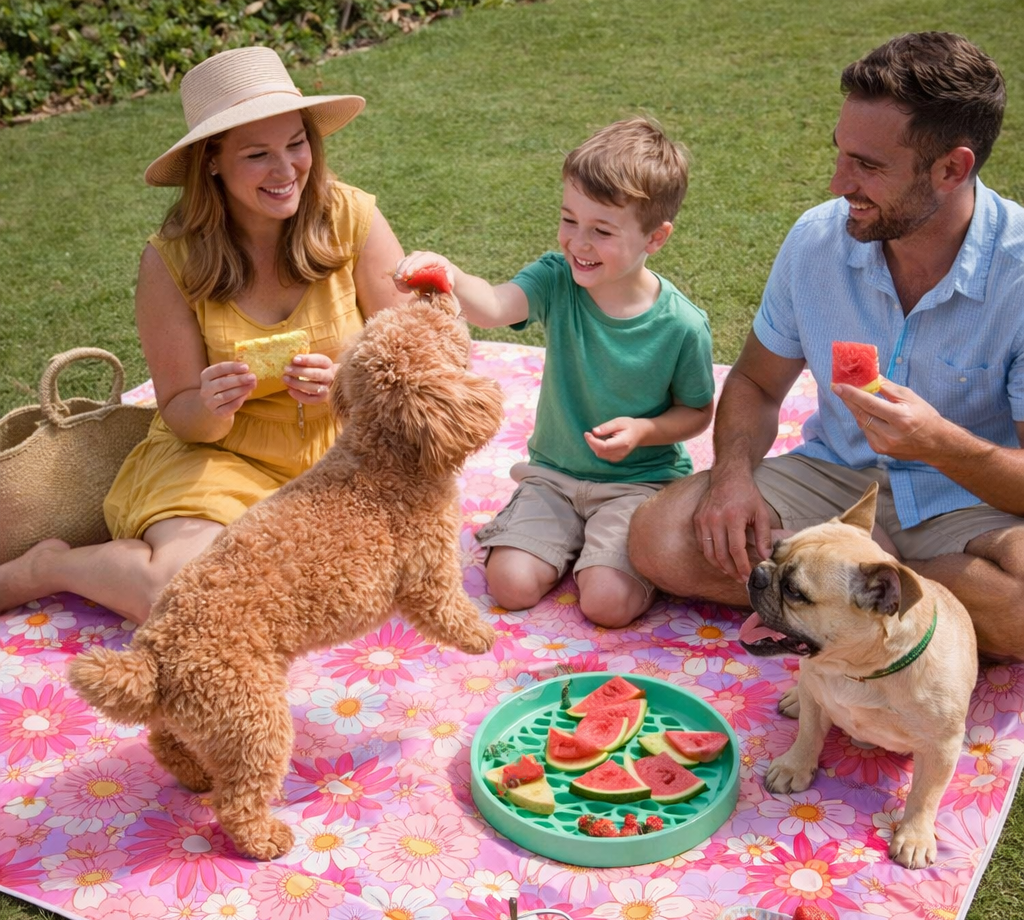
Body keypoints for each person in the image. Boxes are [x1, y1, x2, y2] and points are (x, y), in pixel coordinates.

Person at [629, 32, 1024, 662]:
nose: (840, 182)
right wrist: (732, 480)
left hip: (968, 501)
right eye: (841, 154)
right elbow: (757, 383)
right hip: (835, 478)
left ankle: (866, 585)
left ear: (951, 168)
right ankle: (872, 597)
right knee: (660, 537)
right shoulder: (817, 241)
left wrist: (937, 442)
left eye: (868, 165)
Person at [0, 46, 409, 624]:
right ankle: (50, 568)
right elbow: (180, 409)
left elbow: (419, 356)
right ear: (212, 161)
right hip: (217, 458)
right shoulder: (170, 261)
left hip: (343, 455)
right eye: (257, 154)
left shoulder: (351, 218)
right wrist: (213, 406)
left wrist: (349, 385)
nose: (286, 169)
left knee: (336, 591)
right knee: (186, 595)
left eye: (296, 144)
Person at [396, 116, 715, 628]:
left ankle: (607, 556)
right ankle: (567, 543)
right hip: (554, 476)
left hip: (639, 483)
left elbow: (697, 412)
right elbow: (495, 306)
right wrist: (449, 274)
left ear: (655, 238)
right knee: (511, 585)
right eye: (569, 220)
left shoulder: (682, 325)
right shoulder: (555, 278)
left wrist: (644, 431)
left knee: (607, 604)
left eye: (602, 231)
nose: (578, 244)